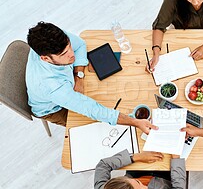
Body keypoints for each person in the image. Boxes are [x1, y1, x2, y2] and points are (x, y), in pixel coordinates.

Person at [26, 21, 155, 133]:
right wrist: (135, 122)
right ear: (45, 58)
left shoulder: (55, 40)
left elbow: (81, 44)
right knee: (94, 127)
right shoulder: (53, 87)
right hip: (53, 108)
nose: (72, 54)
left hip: (69, 82)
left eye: (69, 46)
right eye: (64, 53)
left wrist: (79, 76)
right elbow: (94, 110)